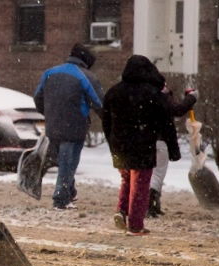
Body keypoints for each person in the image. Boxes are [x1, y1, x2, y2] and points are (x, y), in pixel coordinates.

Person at [102, 55, 177, 236]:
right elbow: (167, 121)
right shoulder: (152, 94)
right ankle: (135, 225)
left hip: (120, 146)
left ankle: (121, 210)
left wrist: (112, 144)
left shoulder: (114, 92)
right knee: (141, 183)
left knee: (127, 179)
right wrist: (173, 149)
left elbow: (106, 122)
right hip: (143, 145)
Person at [33, 43, 104, 210]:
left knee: (64, 161)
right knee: (68, 162)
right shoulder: (86, 76)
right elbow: (99, 103)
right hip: (75, 126)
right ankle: (61, 198)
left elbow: (37, 97)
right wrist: (109, 121)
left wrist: (48, 114)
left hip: (53, 125)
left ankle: (69, 192)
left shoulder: (49, 73)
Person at [148, 80, 198, 217]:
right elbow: (178, 110)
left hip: (143, 140)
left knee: (147, 173)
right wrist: (192, 98)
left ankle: (149, 203)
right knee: (158, 173)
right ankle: (151, 203)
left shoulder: (141, 94)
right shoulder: (161, 97)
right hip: (160, 140)